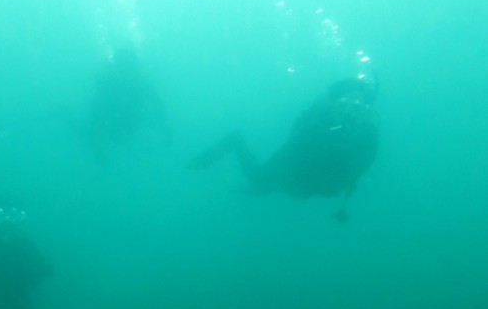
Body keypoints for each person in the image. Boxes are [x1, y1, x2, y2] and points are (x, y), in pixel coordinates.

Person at [189, 77, 379, 220]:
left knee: (263, 187)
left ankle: (238, 148)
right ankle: (235, 141)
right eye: (344, 105)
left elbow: (360, 166)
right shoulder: (320, 123)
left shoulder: (367, 134)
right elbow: (298, 147)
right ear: (333, 105)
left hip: (320, 183)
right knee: (258, 185)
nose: (350, 113)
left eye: (358, 108)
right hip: (297, 165)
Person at [82, 47, 171, 161]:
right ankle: (64, 115)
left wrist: (166, 131)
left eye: (129, 66)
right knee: (85, 134)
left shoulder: (141, 83)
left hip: (126, 126)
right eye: (123, 66)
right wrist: (98, 151)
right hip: (111, 128)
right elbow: (96, 118)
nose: (126, 71)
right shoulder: (108, 85)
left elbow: (158, 107)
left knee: (91, 135)